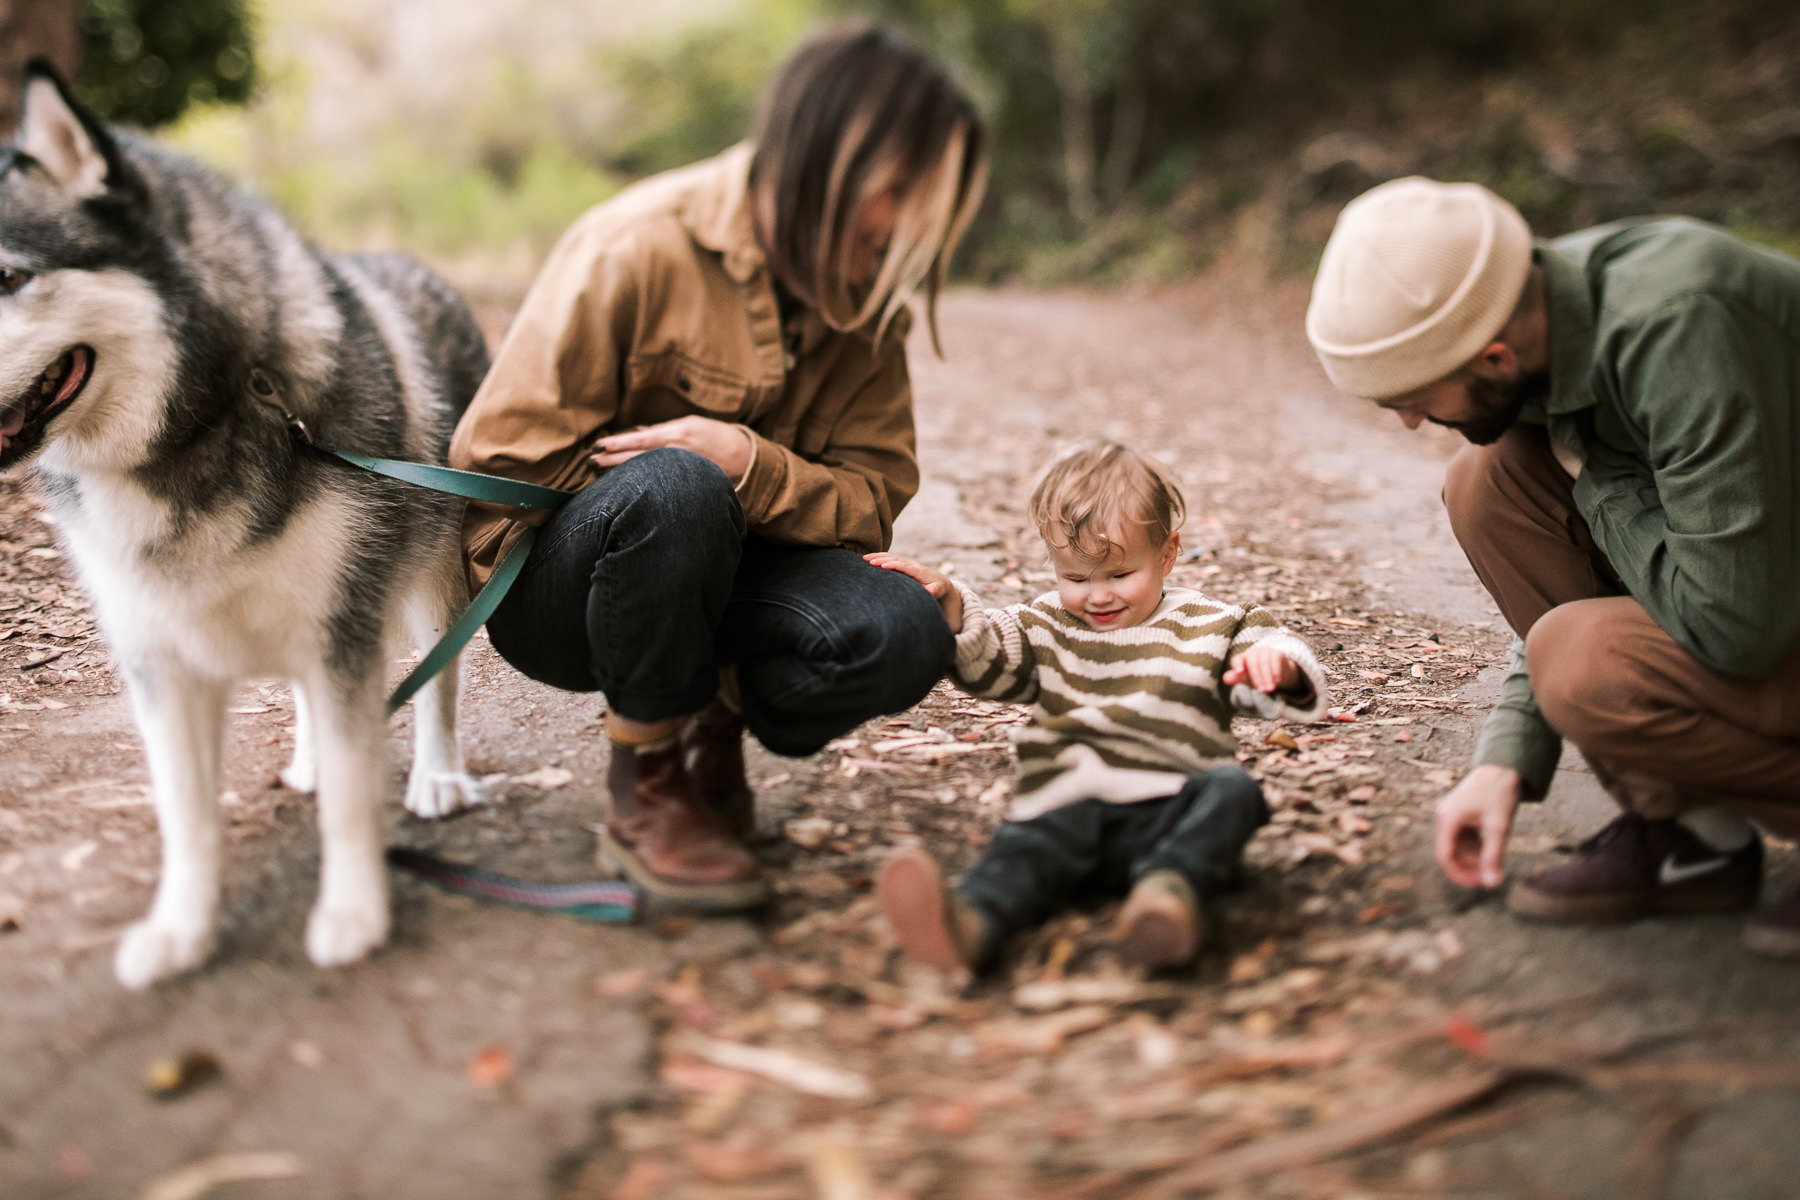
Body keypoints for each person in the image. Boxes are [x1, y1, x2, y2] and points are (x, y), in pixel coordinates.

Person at [446, 23, 989, 909]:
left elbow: (871, 501)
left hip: (737, 581)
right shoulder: (633, 245)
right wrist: (659, 491)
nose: (906, 232)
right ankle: (647, 778)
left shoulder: (869, 297)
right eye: (899, 192)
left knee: (906, 629)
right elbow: (500, 476)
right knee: (675, 485)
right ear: (827, 162)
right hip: (563, 596)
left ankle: (712, 711)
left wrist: (749, 464)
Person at [1305, 176, 1800, 959]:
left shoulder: (1675, 325)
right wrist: (1504, 762)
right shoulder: (1542, 322)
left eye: (1409, 398)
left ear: (1494, 356)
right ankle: (1690, 834)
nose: (1406, 421)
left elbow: (1735, 624)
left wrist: (1593, 475)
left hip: (1759, 598)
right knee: (1491, 480)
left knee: (1582, 660)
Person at [865, 444, 1328, 971]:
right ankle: (969, 927)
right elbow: (989, 659)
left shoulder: (1214, 623)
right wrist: (950, 603)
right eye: (1076, 579)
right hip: (1070, 808)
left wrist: (1275, 667)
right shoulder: (1047, 625)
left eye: (1119, 575)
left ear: (1168, 553)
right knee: (1022, 850)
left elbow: (1267, 658)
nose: (1098, 597)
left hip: (1170, 807)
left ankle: (1166, 896)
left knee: (1233, 792)